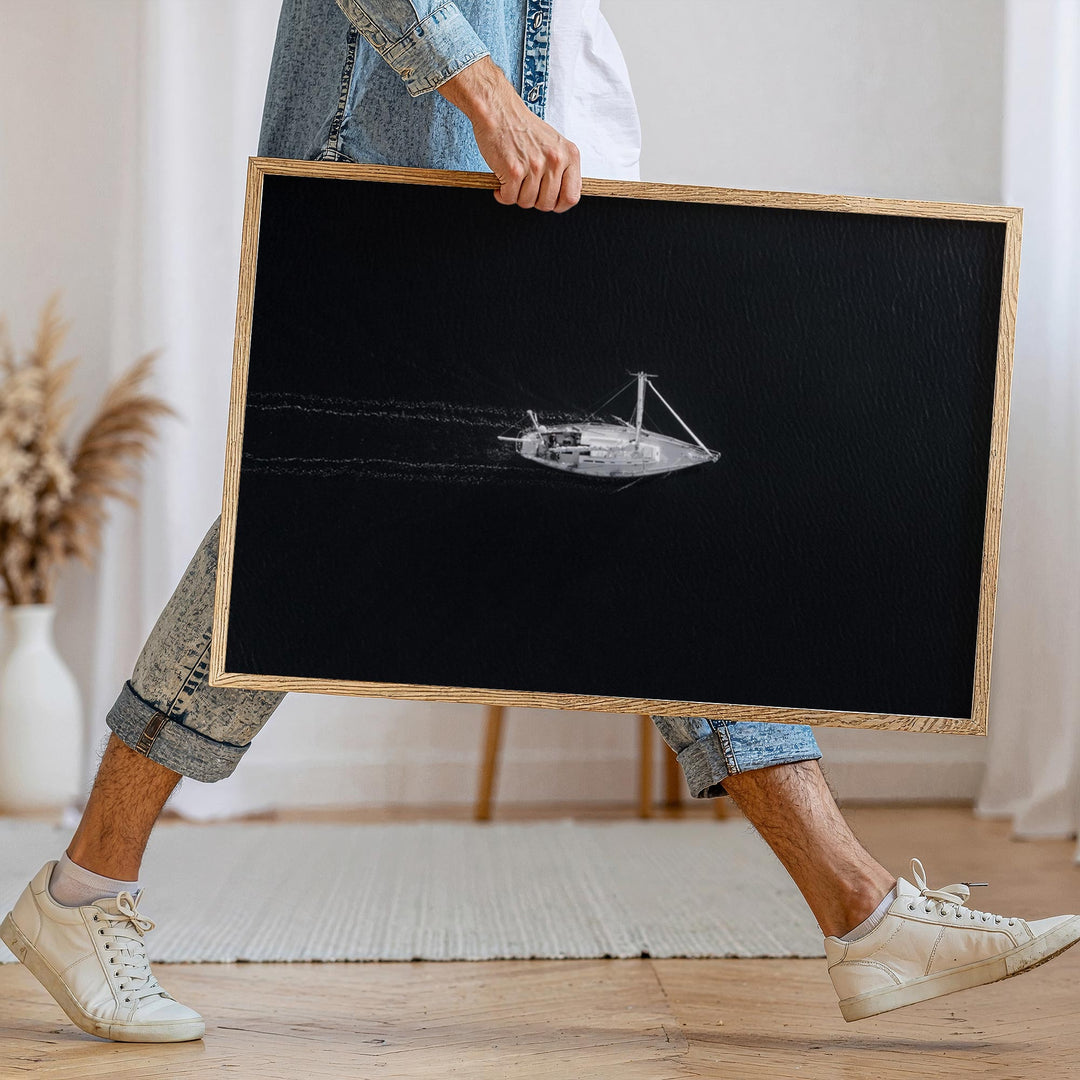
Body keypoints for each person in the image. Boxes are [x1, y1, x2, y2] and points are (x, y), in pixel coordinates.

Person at [3, 0, 1078, 1045]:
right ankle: (84, 889)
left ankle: (863, 913)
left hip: (521, 171)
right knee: (294, 542)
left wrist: (544, 120)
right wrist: (479, 92)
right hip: (407, 164)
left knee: (628, 507)